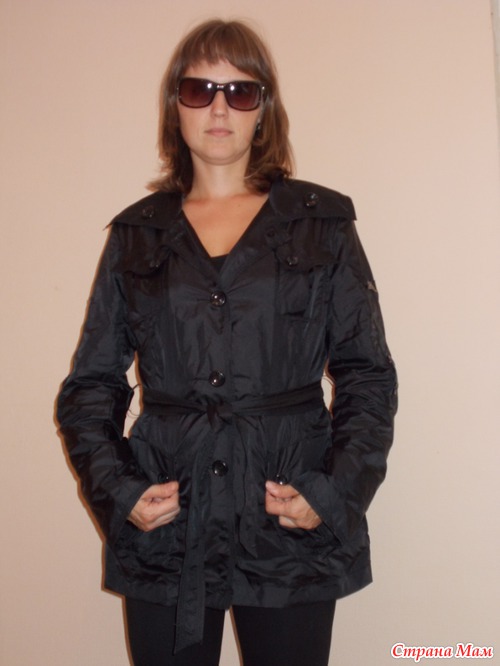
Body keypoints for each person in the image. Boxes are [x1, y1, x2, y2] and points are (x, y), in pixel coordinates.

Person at [57, 18, 397, 666]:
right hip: (170, 518)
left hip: (286, 515)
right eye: (200, 89)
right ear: (175, 106)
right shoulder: (137, 236)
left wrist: (331, 492)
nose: (219, 108)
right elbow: (91, 385)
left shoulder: (320, 224)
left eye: (240, 92)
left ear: (263, 109)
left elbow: (367, 373)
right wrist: (120, 492)